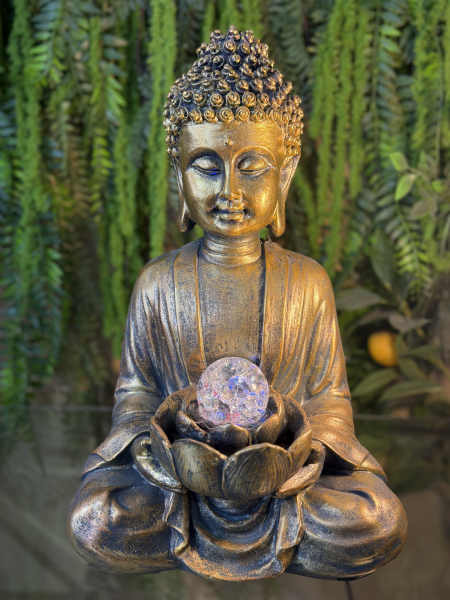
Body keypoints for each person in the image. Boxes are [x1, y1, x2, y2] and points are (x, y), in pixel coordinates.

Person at [68, 27, 407, 581]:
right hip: (181, 481)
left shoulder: (308, 283)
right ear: (179, 174)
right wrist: (158, 446)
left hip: (286, 481)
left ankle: (262, 528)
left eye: (252, 166)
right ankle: (236, 533)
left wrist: (297, 450)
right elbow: (135, 394)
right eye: (206, 165)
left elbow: (330, 400)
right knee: (96, 520)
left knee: (377, 520)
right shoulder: (157, 283)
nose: (229, 190)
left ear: (284, 174)